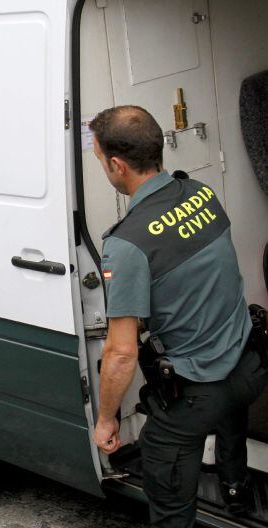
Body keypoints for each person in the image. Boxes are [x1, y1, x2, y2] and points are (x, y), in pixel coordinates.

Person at [90, 105, 267, 527]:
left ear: (117, 165)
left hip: (196, 395)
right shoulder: (202, 193)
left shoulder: (126, 244)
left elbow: (120, 353)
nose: (102, 167)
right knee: (229, 421)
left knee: (167, 492)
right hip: (250, 366)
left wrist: (106, 419)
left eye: (99, 159)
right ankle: (236, 492)